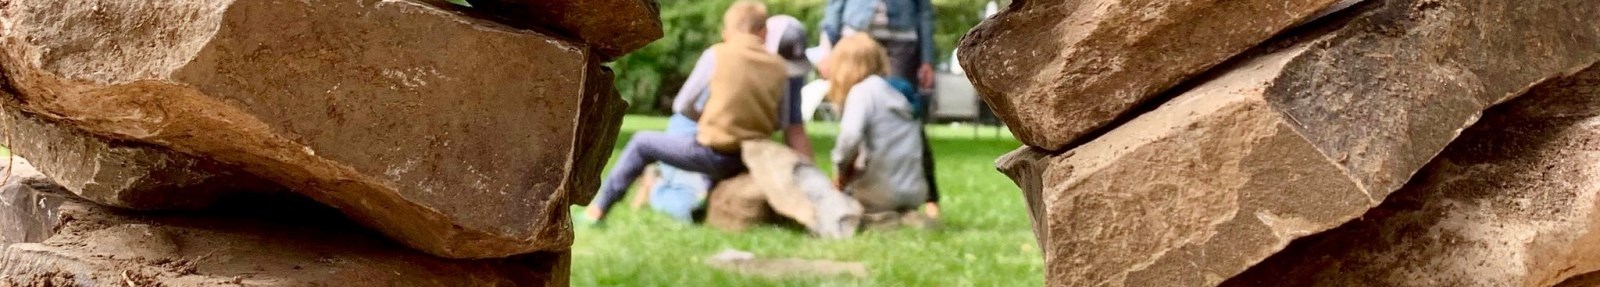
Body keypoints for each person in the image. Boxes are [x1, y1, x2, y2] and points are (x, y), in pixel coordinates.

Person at [583, 1, 796, 223]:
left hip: (714, 155)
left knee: (641, 143)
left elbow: (682, 105)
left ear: (728, 30)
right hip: (750, 157)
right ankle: (700, 196)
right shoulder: (780, 67)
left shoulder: (717, 54)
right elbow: (781, 121)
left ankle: (598, 210)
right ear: (763, 31)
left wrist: (709, 120)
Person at [621, 15, 818, 222]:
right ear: (761, 39)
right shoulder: (727, 60)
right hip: (693, 135)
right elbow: (685, 107)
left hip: (738, 151)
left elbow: (795, 130)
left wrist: (814, 188)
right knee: (687, 208)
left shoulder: (788, 73)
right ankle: (655, 184)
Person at [820, 33, 929, 214]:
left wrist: (839, 169)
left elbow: (850, 137)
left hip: (879, 194)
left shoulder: (862, 92)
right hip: (913, 193)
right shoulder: (900, 92)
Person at [819, 0, 936, 94]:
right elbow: (834, 7)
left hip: (902, 40)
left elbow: (924, 12)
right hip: (857, 37)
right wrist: (826, 51)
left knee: (899, 97)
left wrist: (927, 60)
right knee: (854, 97)